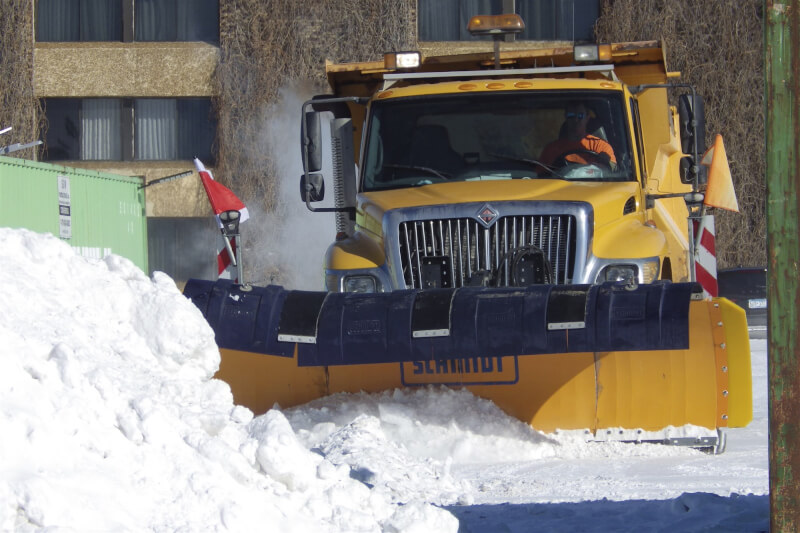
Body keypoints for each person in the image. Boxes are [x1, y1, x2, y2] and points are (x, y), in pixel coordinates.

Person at [538, 102, 616, 170]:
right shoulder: (551, 150)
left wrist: (606, 162)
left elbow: (613, 171)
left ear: (587, 118)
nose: (575, 120)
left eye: (580, 115)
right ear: (566, 117)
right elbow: (540, 177)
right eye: (571, 115)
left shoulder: (600, 146)